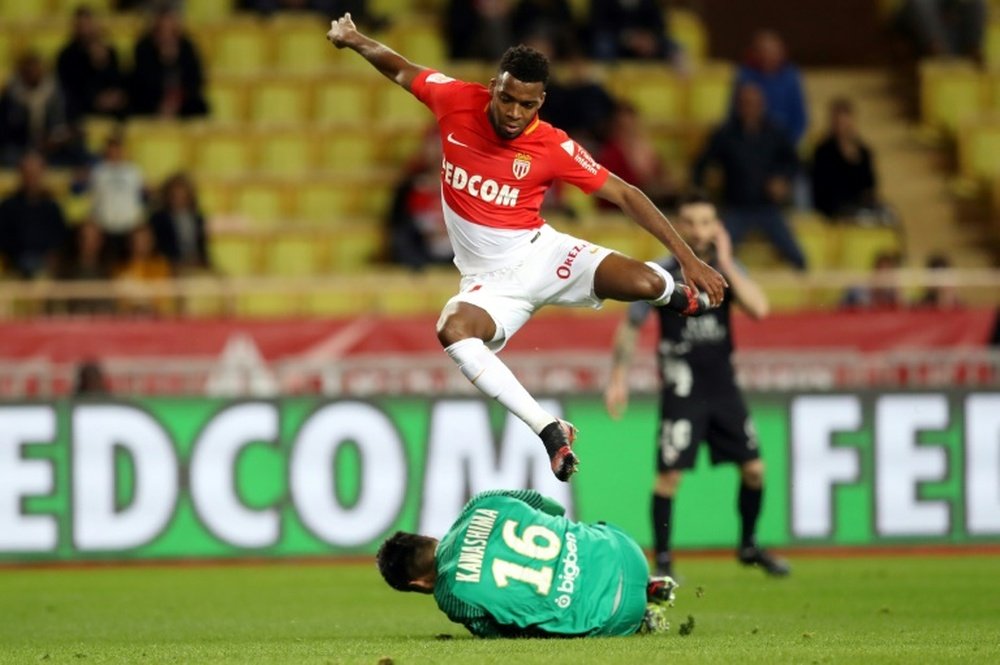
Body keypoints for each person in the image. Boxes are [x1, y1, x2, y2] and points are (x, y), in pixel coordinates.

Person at [326, 13, 727, 482]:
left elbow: (625, 194)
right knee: (452, 330)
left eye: (527, 104)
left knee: (642, 282)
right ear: (494, 85)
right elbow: (399, 67)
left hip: (543, 255)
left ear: (542, 101)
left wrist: (688, 258)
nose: (514, 113)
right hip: (490, 286)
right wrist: (354, 39)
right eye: (507, 98)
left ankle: (675, 294)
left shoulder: (552, 145)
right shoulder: (455, 99)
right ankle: (549, 430)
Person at [604, 192, 789, 578]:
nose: (699, 230)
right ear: (678, 226)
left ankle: (749, 544)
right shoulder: (660, 274)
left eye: (707, 222)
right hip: (682, 388)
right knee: (669, 476)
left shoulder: (726, 270)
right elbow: (630, 325)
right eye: (691, 222)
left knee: (754, 469)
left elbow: (760, 308)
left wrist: (724, 263)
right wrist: (618, 378)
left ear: (716, 227)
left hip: (723, 388)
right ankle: (666, 561)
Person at [376, 488, 678, 637]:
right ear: (429, 537)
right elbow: (554, 509)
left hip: (613, 615)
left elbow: (502, 632)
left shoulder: (450, 596)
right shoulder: (480, 503)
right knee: (582, 531)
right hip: (626, 551)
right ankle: (647, 582)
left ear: (418, 584)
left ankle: (640, 619)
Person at [692, 82, 806, 271]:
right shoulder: (725, 134)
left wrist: (782, 179)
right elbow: (701, 164)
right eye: (745, 103)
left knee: (798, 257)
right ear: (738, 105)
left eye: (754, 103)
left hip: (767, 207)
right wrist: (704, 195)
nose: (750, 108)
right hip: (736, 207)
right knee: (715, 255)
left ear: (762, 105)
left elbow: (794, 162)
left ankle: (807, 295)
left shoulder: (775, 132)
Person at [0, 51, 84, 167]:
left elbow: (71, 124)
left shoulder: (58, 93)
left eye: (36, 69)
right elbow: (5, 129)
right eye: (28, 71)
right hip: (21, 149)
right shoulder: (11, 95)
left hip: (55, 149)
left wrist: (56, 139)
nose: (33, 73)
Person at [731, 30, 807, 148]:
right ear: (755, 53)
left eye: (772, 52)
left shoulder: (791, 76)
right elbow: (734, 115)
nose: (767, 56)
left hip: (784, 144)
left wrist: (787, 146)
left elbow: (800, 118)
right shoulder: (745, 76)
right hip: (750, 145)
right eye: (763, 51)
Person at [811, 98, 882, 222]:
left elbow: (870, 184)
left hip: (859, 206)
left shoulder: (863, 151)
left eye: (845, 121)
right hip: (833, 206)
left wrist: (855, 160)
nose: (842, 126)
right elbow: (823, 187)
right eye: (839, 122)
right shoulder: (823, 151)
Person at [130, 7, 209, 118]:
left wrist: (177, 101)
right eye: (163, 28)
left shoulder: (187, 46)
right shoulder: (144, 47)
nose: (166, 32)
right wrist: (163, 62)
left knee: (200, 107)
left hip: (182, 100)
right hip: (153, 100)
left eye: (170, 27)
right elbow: (141, 81)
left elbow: (195, 79)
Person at [0, 152, 68, 279]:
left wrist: (52, 257)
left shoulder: (52, 207)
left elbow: (60, 238)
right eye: (28, 173)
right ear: (21, 174)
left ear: (42, 174)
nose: (31, 178)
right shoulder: (8, 206)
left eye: (35, 173)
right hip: (14, 264)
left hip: (44, 266)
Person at [56, 6, 129, 120]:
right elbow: (70, 87)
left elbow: (117, 80)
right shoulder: (67, 55)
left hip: (111, 105)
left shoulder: (109, 51)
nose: (85, 30)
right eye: (81, 26)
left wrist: (102, 64)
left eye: (87, 24)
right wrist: (95, 99)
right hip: (82, 106)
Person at [88, 133, 146, 262]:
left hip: (130, 227)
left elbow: (139, 198)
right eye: (111, 149)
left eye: (117, 149)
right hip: (105, 226)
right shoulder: (98, 172)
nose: (114, 153)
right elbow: (95, 199)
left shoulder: (133, 171)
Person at [149, 172, 210, 272]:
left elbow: (202, 247)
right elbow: (156, 249)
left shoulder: (197, 218)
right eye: (175, 193)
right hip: (169, 267)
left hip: (194, 264)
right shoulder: (158, 219)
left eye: (182, 193)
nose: (179, 197)